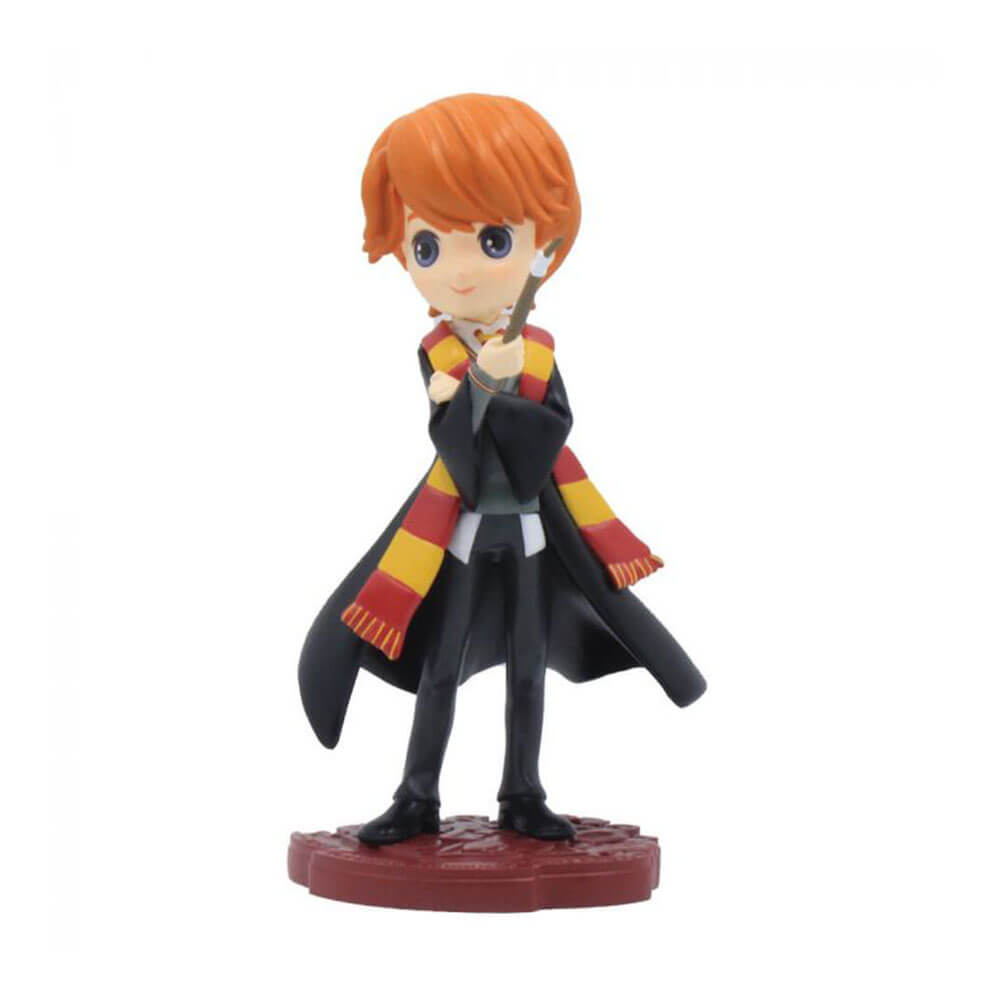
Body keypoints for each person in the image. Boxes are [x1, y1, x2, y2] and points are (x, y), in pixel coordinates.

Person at [298, 93, 706, 845]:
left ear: (543, 244)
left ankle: (523, 792)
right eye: (427, 246)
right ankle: (416, 796)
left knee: (528, 669)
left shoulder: (538, 354)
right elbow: (455, 448)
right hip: (454, 537)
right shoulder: (438, 355)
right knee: (439, 670)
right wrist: (480, 386)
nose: (457, 272)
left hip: (530, 536)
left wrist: (503, 385)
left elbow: (547, 439)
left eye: (490, 240)